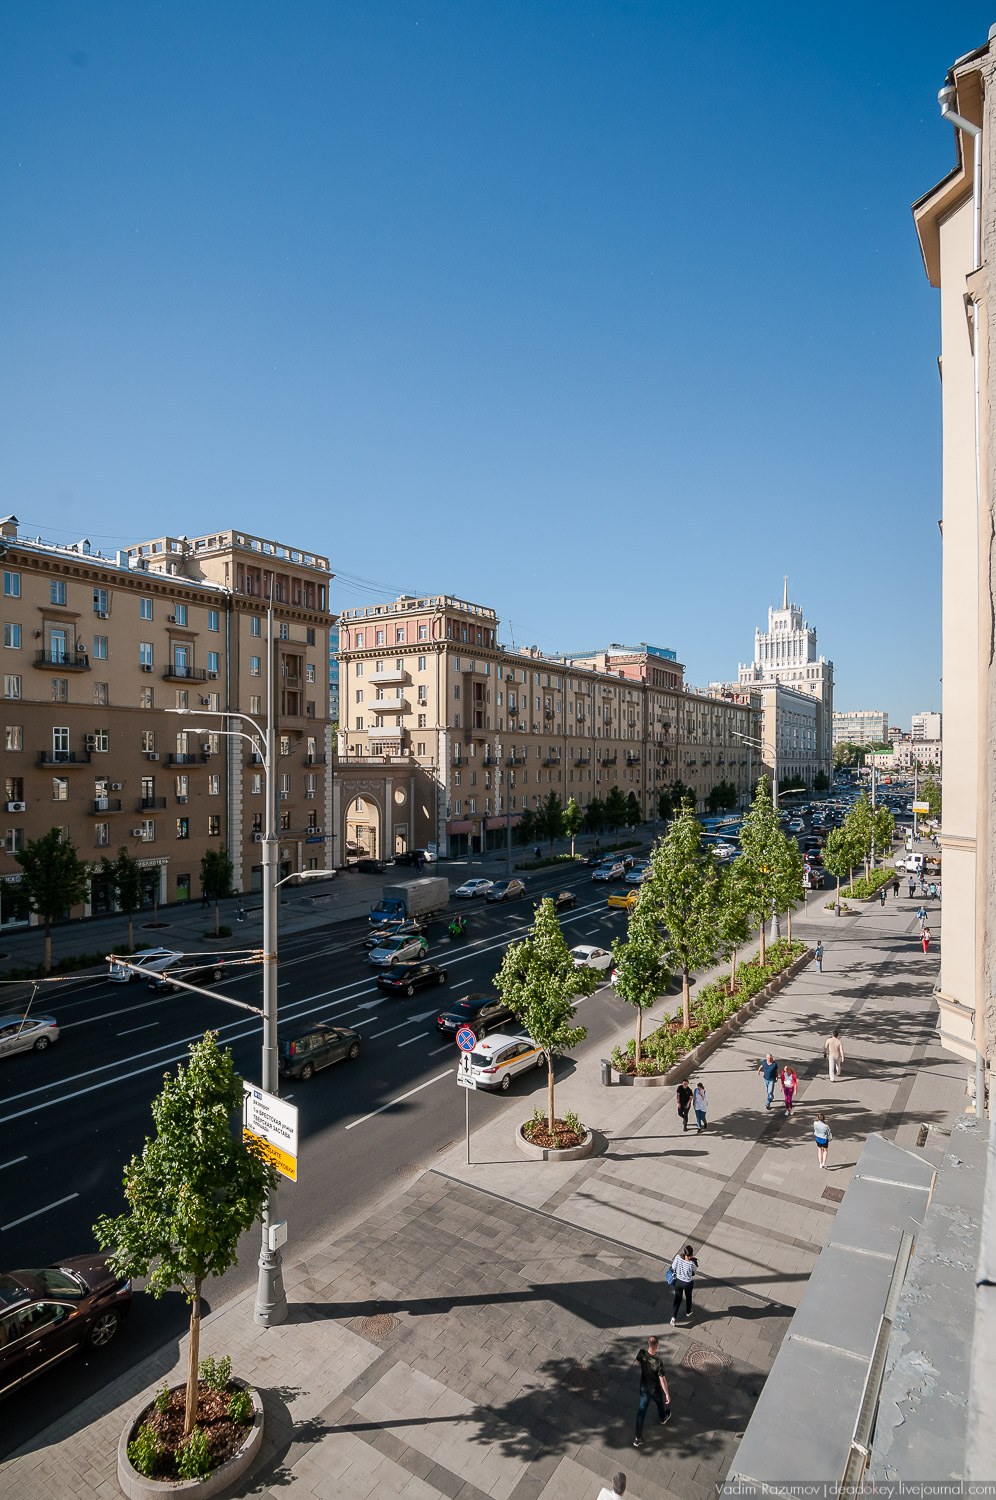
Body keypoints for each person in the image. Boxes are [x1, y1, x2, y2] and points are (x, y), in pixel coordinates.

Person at [633, 1336, 671, 1447]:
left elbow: (638, 1363)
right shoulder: (658, 1363)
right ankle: (663, 1417)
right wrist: (667, 1393)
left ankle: (637, 1437)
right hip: (655, 1389)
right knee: (659, 1403)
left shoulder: (641, 1353)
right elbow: (662, 1380)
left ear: (648, 1344)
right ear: (657, 1346)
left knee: (641, 1411)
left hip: (644, 1388)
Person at [669, 1245, 698, 1326]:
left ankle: (673, 1318)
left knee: (677, 1299)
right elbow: (695, 1270)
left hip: (678, 1282)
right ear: (691, 1254)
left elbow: (673, 1267)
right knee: (688, 1297)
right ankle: (688, 1311)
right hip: (687, 1283)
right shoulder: (692, 1263)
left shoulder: (678, 1257)